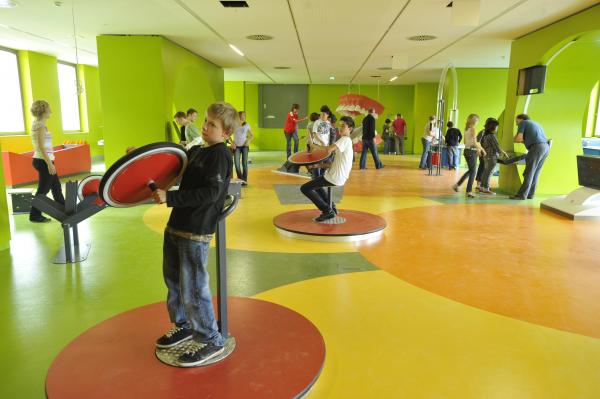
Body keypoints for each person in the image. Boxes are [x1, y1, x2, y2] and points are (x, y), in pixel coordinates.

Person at [152, 102, 238, 367]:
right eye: (206, 120)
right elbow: (176, 172)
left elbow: (211, 193)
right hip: (177, 223)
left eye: (213, 124)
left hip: (196, 230)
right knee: (174, 281)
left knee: (193, 287)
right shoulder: (200, 149)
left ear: (225, 133)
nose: (205, 126)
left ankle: (211, 338)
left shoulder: (221, 155)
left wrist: (171, 197)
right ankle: (185, 325)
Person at [301, 116, 355, 221]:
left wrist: (314, 145)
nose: (340, 128)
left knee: (305, 188)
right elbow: (332, 164)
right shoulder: (345, 142)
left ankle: (327, 210)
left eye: (343, 126)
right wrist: (317, 166)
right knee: (316, 184)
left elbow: (329, 149)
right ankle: (332, 207)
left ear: (350, 129)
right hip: (337, 177)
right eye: (339, 126)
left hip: (335, 177)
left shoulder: (345, 140)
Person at [28, 100, 65, 223]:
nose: (51, 111)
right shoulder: (40, 126)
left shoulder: (39, 124)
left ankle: (64, 210)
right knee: (43, 190)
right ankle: (34, 215)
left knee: (56, 187)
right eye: (49, 109)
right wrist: (49, 163)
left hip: (44, 159)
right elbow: (41, 147)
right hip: (43, 161)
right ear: (43, 111)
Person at [511, 114, 550, 200]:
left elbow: (519, 139)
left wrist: (512, 139)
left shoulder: (523, 123)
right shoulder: (536, 124)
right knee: (536, 172)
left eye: (517, 122)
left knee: (529, 172)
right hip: (546, 147)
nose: (517, 124)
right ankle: (530, 194)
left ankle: (521, 195)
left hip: (536, 148)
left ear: (521, 119)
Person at [452, 114, 482, 198]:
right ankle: (469, 191)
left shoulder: (466, 129)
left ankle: (457, 185)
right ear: (474, 121)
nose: (477, 121)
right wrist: (481, 149)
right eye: (477, 120)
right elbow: (475, 142)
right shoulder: (473, 129)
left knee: (471, 171)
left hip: (466, 151)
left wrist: (478, 148)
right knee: (473, 172)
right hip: (472, 152)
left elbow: (465, 142)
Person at [479, 118, 508, 195]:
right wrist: (503, 153)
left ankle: (482, 187)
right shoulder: (492, 136)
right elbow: (497, 147)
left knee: (485, 172)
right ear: (493, 127)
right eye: (497, 127)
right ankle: (486, 189)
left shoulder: (485, 135)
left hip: (486, 156)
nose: (497, 128)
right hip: (492, 156)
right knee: (489, 173)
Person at [231, 111, 253, 185]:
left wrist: (248, 141)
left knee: (244, 164)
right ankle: (241, 180)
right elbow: (228, 134)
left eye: (245, 115)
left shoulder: (247, 125)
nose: (244, 116)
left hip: (244, 146)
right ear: (239, 116)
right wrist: (232, 142)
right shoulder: (234, 125)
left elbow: (252, 135)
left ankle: (245, 181)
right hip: (236, 147)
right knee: (237, 165)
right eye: (243, 115)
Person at [311, 106, 333, 177]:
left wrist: (328, 144)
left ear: (327, 115)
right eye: (321, 114)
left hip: (325, 147)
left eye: (324, 114)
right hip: (317, 146)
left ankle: (322, 176)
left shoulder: (328, 123)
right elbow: (315, 134)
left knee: (325, 164)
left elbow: (328, 135)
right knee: (317, 163)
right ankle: (315, 177)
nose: (322, 116)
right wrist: (322, 142)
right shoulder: (317, 122)